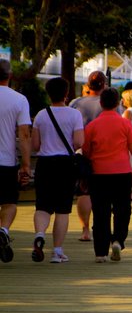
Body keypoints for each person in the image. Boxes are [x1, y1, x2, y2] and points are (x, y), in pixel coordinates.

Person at [83, 88, 132, 262]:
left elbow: (86, 152)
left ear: (101, 104)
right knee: (122, 210)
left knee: (100, 213)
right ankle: (117, 240)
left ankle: (100, 252)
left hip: (98, 174)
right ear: (118, 103)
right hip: (122, 173)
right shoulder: (125, 124)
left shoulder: (92, 126)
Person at [30, 77, 84, 263]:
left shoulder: (41, 115)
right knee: (62, 209)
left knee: (43, 206)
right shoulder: (74, 114)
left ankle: (39, 234)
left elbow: (35, 145)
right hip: (65, 164)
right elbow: (78, 142)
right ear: (66, 93)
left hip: (44, 163)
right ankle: (57, 251)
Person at [69, 70, 112, 241]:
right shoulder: (108, 103)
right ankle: (101, 228)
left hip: (81, 153)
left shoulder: (76, 103)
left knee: (84, 192)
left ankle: (85, 229)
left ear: (87, 85)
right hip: (106, 153)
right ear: (104, 85)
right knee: (103, 194)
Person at [0, 59, 32, 264]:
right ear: (9, 76)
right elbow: (24, 135)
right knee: (9, 202)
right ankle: (3, 230)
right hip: (6, 160)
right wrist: (26, 165)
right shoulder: (19, 100)